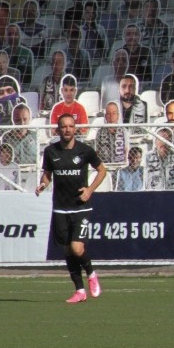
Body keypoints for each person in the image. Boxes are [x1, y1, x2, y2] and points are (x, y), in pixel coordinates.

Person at [35, 114, 108, 303]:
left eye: (70, 126)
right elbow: (47, 175)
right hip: (60, 208)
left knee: (77, 248)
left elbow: (102, 170)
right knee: (67, 251)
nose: (67, 129)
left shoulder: (85, 151)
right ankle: (80, 291)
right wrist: (43, 185)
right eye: (63, 127)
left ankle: (91, 274)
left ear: (75, 128)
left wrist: (90, 190)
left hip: (80, 208)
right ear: (58, 129)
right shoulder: (51, 151)